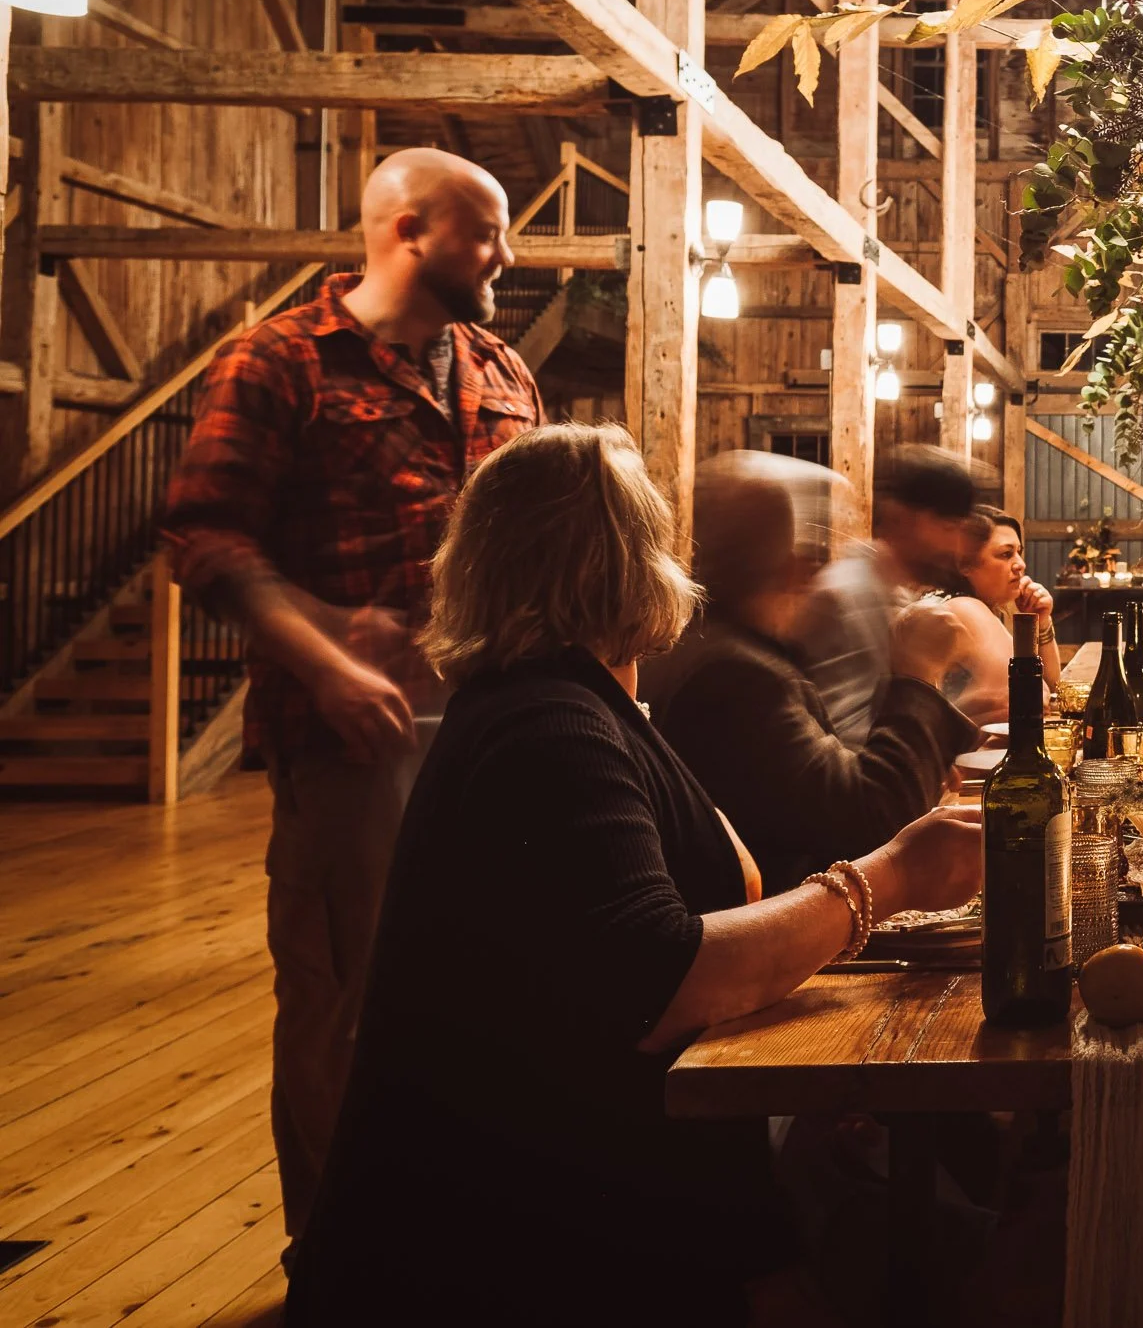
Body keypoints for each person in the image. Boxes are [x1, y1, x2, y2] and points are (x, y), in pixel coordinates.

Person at [285, 424, 985, 1327]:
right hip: (510, 1257)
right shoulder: (549, 728)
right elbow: (663, 974)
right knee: (972, 1263)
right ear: (627, 562)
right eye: (658, 533)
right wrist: (887, 877)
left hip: (603, 1205)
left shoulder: (575, 704)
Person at [161, 148, 542, 1235]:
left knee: (490, 996)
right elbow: (203, 536)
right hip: (357, 745)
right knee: (350, 1009)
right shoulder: (280, 360)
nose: (506, 254)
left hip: (497, 736)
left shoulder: (504, 369)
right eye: (486, 233)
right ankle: (337, 1261)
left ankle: (462, 1241)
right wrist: (324, 653)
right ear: (409, 230)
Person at [644, 453, 981, 895]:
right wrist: (918, 676)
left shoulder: (718, 647)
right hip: (767, 940)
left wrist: (922, 754)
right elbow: (871, 824)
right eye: (818, 555)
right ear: (793, 564)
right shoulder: (737, 676)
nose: (823, 577)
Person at [790, 445, 982, 744]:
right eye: (947, 527)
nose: (957, 546)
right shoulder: (847, 597)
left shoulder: (894, 594)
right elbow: (845, 738)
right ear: (899, 517)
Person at [959, 507, 1062, 691]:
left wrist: (1041, 621)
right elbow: (1038, 694)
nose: (1021, 564)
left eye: (1018, 552)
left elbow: (1052, 686)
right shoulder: (964, 608)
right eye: (1006, 554)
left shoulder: (981, 607)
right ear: (965, 563)